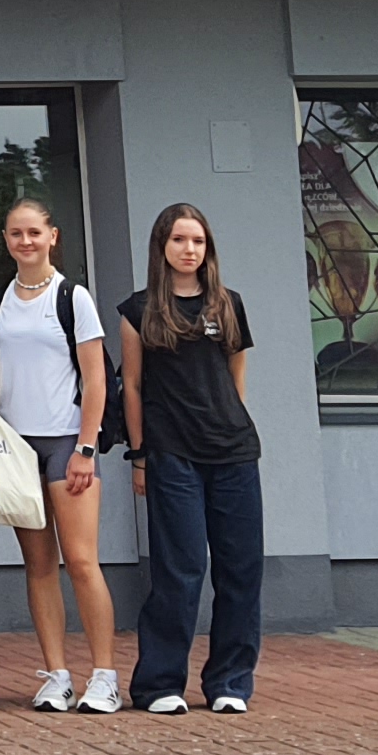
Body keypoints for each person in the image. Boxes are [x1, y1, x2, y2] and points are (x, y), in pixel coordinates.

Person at [120, 201, 264, 716]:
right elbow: (132, 387)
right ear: (162, 246)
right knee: (179, 570)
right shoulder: (137, 311)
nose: (189, 249)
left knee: (240, 571)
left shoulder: (229, 304)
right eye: (179, 240)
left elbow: (235, 379)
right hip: (171, 454)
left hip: (234, 455)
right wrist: (140, 457)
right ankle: (159, 684)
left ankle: (230, 682)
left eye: (198, 241)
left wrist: (231, 428)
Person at [0, 196, 118, 713]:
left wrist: (85, 447)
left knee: (81, 561)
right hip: (17, 448)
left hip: (66, 441)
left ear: (52, 236)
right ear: (6, 240)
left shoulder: (72, 296)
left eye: (34, 232)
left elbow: (95, 379)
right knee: (38, 566)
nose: (26, 241)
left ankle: (104, 676)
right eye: (16, 233)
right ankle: (57, 675)